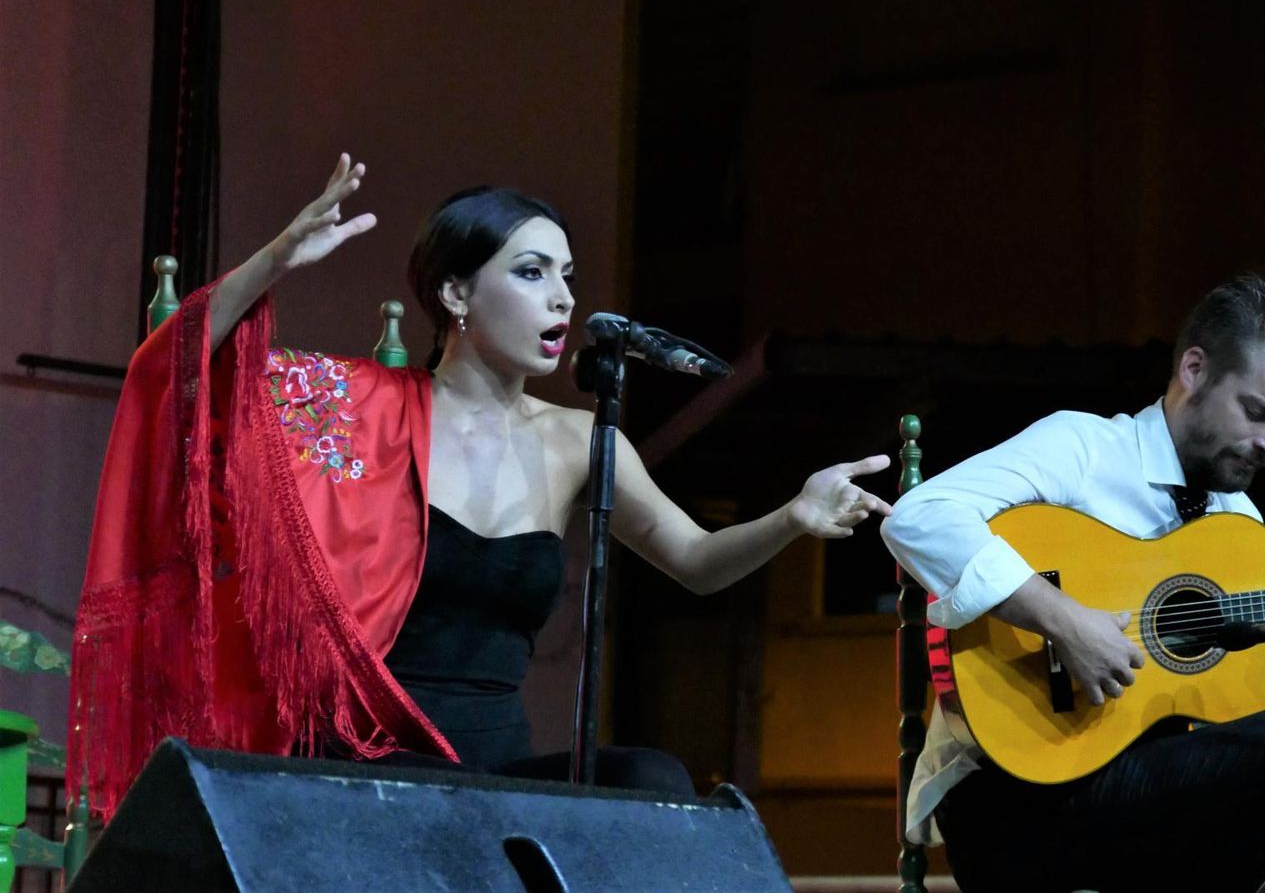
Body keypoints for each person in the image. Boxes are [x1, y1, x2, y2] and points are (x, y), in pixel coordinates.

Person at [71, 154, 892, 817]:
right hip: (371, 756)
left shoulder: (581, 439)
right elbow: (178, 372)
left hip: (495, 765)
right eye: (532, 273)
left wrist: (793, 515)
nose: (564, 298)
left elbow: (698, 559)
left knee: (652, 780)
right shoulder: (356, 409)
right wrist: (277, 258)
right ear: (457, 293)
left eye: (568, 275)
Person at [880, 276, 1265, 891]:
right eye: (1257, 413)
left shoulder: (1239, 528)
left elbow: (1238, 732)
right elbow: (920, 517)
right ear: (1193, 369)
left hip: (1144, 810)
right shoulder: (1084, 448)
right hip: (1013, 803)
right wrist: (1061, 616)